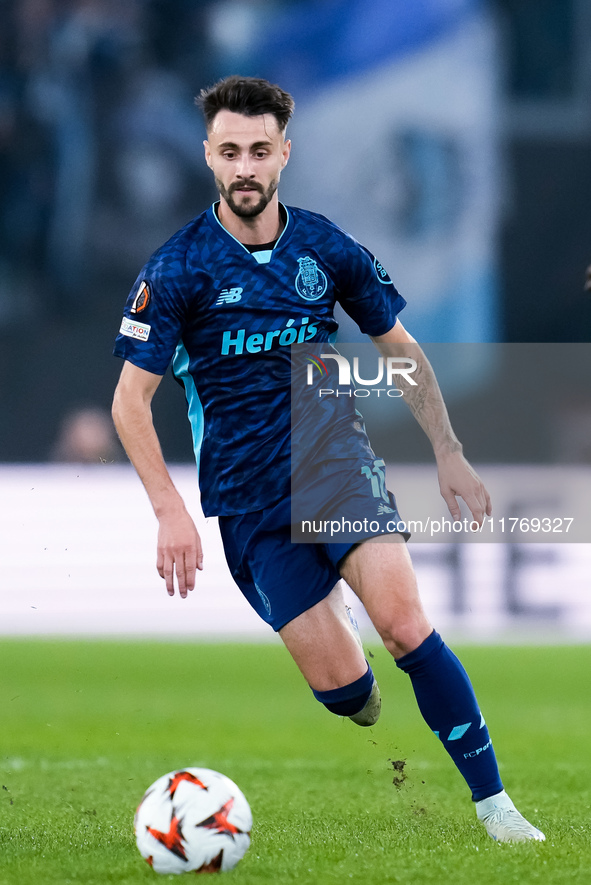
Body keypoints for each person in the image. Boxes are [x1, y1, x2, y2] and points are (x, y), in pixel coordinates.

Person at [112, 75, 544, 843]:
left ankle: (496, 808)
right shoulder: (176, 269)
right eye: (229, 152)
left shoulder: (325, 247)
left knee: (406, 625)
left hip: (334, 466)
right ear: (209, 157)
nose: (245, 167)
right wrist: (169, 510)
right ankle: (346, 662)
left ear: (284, 152)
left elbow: (401, 352)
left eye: (259, 151)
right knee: (349, 694)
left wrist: (448, 450)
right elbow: (128, 402)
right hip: (247, 501)